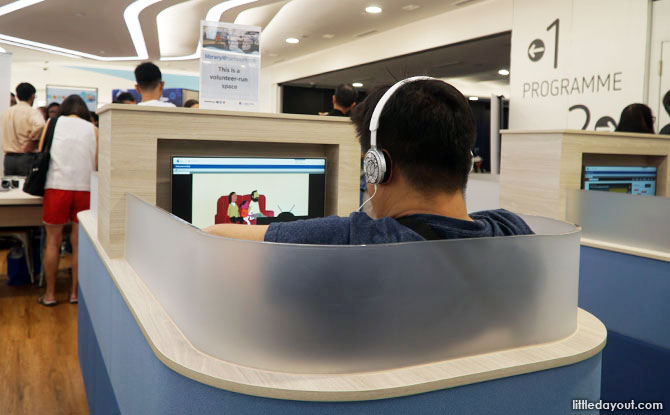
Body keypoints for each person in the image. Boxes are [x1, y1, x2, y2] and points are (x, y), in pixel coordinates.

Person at [205, 78, 533, 244]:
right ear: (465, 159)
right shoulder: (511, 230)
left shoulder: (357, 239)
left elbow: (212, 236)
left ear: (376, 164)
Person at [37, 94, 98, 306]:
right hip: (85, 189)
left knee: (53, 242)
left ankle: (50, 294)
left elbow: (40, 151)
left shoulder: (52, 124)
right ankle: (75, 293)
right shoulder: (93, 129)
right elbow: (98, 163)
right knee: (79, 244)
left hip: (56, 186)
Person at [1, 83, 46, 175]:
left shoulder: (6, 112)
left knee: (10, 186)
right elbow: (40, 125)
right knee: (25, 186)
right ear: (32, 96)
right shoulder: (32, 112)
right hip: (26, 157)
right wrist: (33, 140)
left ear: (17, 95)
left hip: (8, 158)